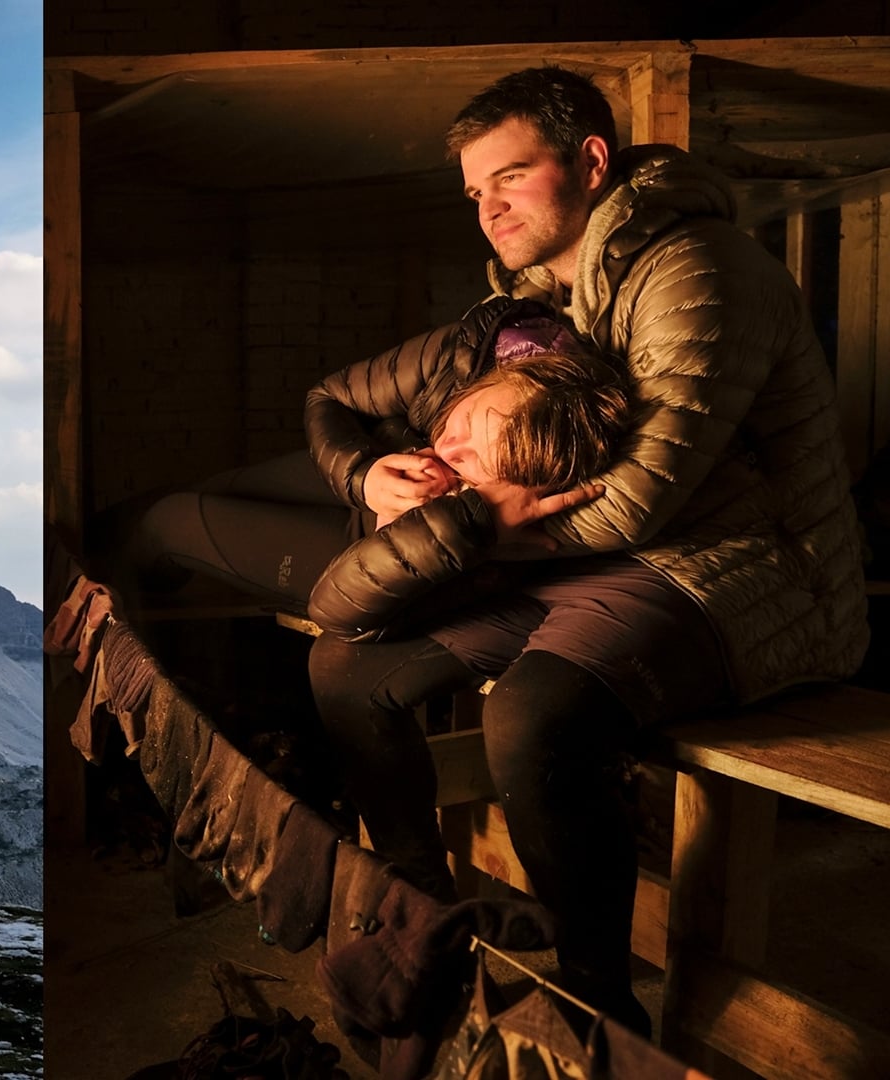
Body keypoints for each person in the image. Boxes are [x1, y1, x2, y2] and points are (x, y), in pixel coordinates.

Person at [306, 66, 868, 1032]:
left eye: (510, 177)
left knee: (532, 714)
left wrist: (464, 537)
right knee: (348, 668)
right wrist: (403, 486)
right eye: (476, 191)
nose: (488, 207)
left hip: (743, 574)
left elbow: (635, 502)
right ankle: (420, 915)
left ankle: (595, 1006)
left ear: (592, 162)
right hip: (601, 566)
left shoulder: (697, 270)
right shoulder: (552, 294)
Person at [124, 295, 623, 621]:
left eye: (472, 465)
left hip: (381, 547)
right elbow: (329, 395)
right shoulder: (479, 349)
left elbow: (362, 605)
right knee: (203, 489)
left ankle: (108, 593)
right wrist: (363, 476)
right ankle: (98, 566)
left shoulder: (543, 489)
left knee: (169, 520)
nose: (448, 448)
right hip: (374, 467)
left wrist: (445, 525)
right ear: (491, 380)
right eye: (467, 421)